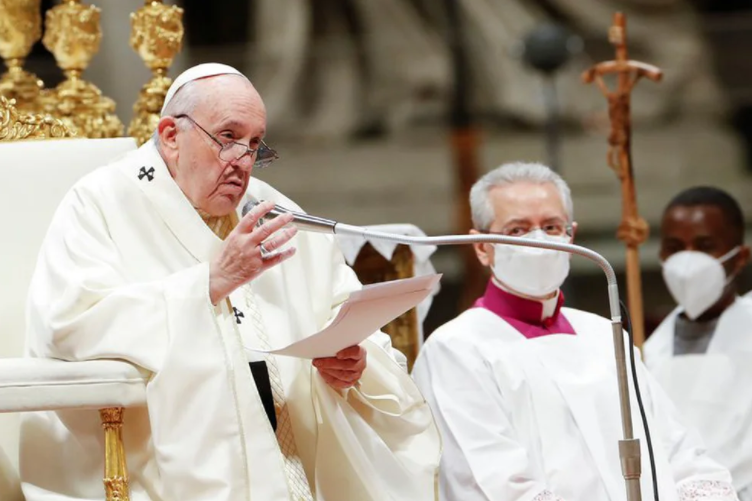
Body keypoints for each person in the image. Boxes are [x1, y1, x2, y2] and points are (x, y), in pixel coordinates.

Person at [21, 63, 439, 501]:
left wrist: (353, 362)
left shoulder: (271, 209)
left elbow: (341, 307)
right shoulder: (102, 202)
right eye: (227, 137)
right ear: (170, 136)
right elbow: (69, 323)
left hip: (290, 453)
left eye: (255, 143)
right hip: (161, 462)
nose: (243, 161)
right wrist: (209, 283)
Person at [412, 162, 738, 500]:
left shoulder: (605, 335)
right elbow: (494, 484)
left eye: (551, 226)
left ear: (571, 235)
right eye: (517, 230)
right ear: (482, 246)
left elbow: (681, 451)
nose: (538, 241)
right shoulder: (456, 349)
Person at [644, 186, 752, 500]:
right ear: (662, 255)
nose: (688, 261)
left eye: (705, 247)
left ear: (739, 257)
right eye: (676, 247)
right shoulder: (645, 351)